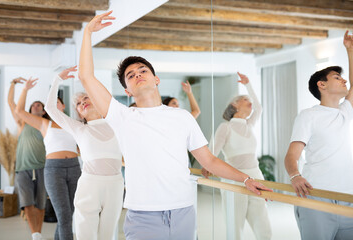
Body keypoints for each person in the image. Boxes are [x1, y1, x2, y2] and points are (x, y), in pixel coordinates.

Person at [78, 11, 271, 240]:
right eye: (131, 75)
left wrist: (246, 180)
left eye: (143, 71)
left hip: (184, 212)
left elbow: (209, 160)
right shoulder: (122, 116)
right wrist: (88, 32)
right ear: (127, 91)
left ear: (156, 79)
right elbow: (86, 76)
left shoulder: (182, 117)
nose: (138, 75)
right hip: (143, 217)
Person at [284, 30, 353, 240]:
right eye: (337, 77)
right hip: (317, 199)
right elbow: (292, 155)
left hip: (347, 199)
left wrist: (350, 51)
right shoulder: (308, 116)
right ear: (321, 85)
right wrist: (295, 176)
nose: (344, 81)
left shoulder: (345, 111)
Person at [45, 66, 124, 240]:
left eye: (86, 98)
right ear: (79, 113)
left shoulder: (116, 122)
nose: (82, 103)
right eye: (78, 104)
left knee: (108, 235)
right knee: (85, 234)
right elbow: (50, 108)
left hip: (115, 184)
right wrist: (57, 79)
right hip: (90, 185)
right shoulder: (78, 128)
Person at [203, 73, 272, 240]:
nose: (250, 103)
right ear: (234, 105)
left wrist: (248, 85)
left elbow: (259, 107)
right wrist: (207, 167)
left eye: (250, 100)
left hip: (255, 174)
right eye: (245, 99)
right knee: (235, 225)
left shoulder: (249, 124)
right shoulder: (225, 127)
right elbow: (211, 152)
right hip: (233, 178)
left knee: (263, 223)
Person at [15, 77, 80, 240]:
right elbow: (19, 112)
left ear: (64, 106)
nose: (55, 105)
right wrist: (25, 89)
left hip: (74, 168)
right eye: (51, 104)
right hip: (54, 169)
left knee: (69, 215)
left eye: (58, 102)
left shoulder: (74, 124)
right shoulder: (44, 124)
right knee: (64, 216)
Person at [8, 77, 47, 240]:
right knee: (28, 203)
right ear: (29, 110)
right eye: (33, 105)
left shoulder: (46, 124)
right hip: (23, 169)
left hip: (43, 168)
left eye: (39, 105)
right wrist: (13, 84)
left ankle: (38, 233)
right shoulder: (22, 123)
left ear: (43, 111)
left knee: (40, 204)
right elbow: (11, 103)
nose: (35, 106)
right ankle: (34, 234)